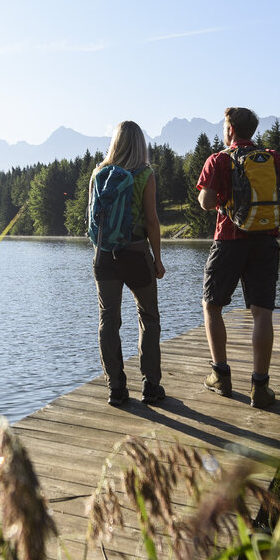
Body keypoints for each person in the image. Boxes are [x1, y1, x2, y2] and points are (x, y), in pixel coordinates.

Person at [195, 107, 280, 409]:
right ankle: (260, 387)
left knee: (212, 306)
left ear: (230, 129)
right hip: (265, 242)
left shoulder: (218, 160)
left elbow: (205, 202)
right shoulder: (271, 158)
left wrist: (229, 197)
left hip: (229, 240)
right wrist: (265, 193)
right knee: (262, 313)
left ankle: (220, 376)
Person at [90, 120, 165, 407]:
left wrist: (100, 251)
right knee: (148, 316)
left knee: (108, 319)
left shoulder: (98, 173)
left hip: (105, 255)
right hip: (135, 253)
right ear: (140, 144)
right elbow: (151, 220)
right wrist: (157, 259)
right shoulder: (145, 174)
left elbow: (93, 220)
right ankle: (150, 385)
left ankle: (116, 388)